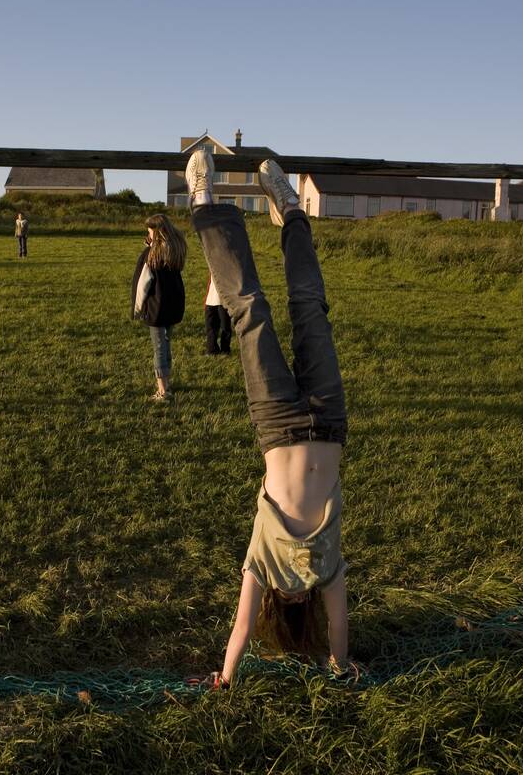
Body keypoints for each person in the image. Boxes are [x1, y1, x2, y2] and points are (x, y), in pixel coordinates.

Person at [183, 149, 350, 688]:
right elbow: (341, 621)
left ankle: (205, 202)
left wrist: (226, 676)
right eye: (309, 602)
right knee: (309, 302)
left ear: (284, 604)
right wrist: (340, 664)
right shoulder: (328, 571)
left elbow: (239, 625)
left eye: (296, 600)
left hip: (277, 424)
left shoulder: (261, 570)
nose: (302, 593)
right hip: (327, 418)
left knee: (250, 310)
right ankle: (291, 210)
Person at [131, 214, 186, 402]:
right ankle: (167, 383)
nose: (147, 233)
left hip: (156, 306)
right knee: (166, 343)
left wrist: (137, 309)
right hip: (174, 303)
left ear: (156, 231)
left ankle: (162, 391)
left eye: (149, 230)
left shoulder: (151, 255)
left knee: (159, 347)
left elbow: (143, 284)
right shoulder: (176, 249)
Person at [204, 275, 233, 355]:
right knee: (210, 326)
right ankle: (212, 350)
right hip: (210, 300)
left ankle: (225, 350)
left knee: (225, 326)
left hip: (223, 301)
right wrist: (206, 300)